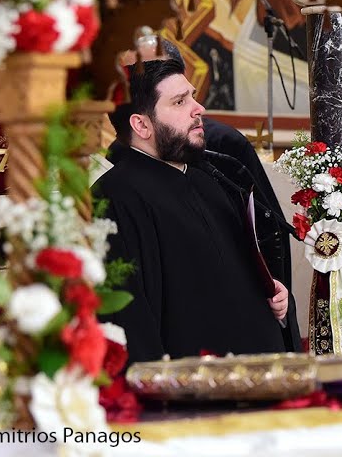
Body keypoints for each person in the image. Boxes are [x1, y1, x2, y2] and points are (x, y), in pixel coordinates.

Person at [93, 53, 290, 363]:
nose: (199, 110)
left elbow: (229, 275)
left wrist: (270, 291)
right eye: (179, 102)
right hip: (190, 394)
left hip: (256, 380)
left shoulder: (208, 182)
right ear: (142, 125)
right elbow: (130, 318)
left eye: (192, 98)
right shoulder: (115, 197)